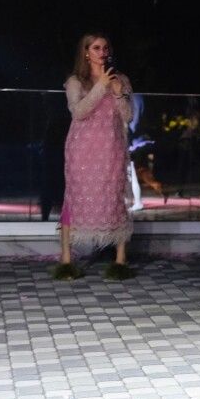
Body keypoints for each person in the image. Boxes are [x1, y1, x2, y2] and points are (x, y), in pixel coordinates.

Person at [53, 33, 135, 281]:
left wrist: (118, 92)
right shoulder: (76, 81)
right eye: (96, 48)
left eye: (105, 48)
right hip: (83, 150)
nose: (102, 52)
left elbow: (128, 116)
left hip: (112, 148)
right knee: (75, 197)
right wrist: (101, 87)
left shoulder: (120, 79)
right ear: (86, 52)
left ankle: (120, 260)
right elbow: (78, 112)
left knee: (114, 196)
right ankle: (66, 260)